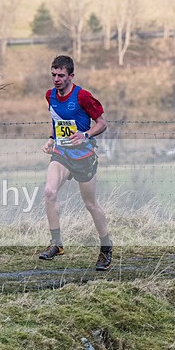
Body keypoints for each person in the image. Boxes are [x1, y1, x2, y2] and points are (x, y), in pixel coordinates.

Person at [39, 55, 112, 270]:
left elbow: (102, 124)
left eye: (61, 75)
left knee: (90, 204)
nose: (56, 79)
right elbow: (56, 120)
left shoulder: (83, 97)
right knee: (50, 192)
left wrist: (85, 135)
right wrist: (52, 139)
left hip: (83, 157)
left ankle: (106, 248)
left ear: (71, 76)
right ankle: (56, 244)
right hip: (62, 154)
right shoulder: (49, 95)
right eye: (53, 75)